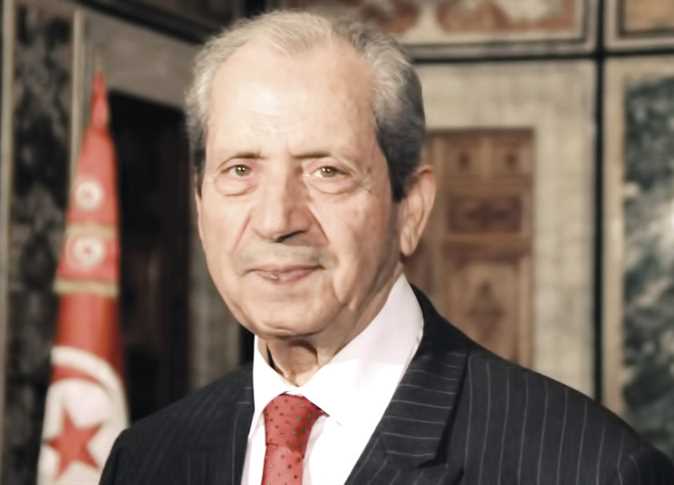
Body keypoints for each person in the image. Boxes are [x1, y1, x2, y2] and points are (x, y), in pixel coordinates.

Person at [100, 10, 674, 485]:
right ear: (200, 206)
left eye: (327, 171)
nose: (276, 220)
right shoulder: (145, 460)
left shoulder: (588, 468)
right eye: (240, 170)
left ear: (410, 210)